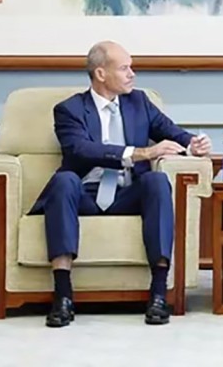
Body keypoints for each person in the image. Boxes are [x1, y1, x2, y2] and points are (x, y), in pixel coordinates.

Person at [29, 41, 212, 328]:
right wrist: (140, 153)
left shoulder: (139, 102)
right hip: (85, 195)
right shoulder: (69, 109)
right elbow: (80, 150)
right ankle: (63, 297)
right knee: (63, 181)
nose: (132, 74)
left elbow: (171, 131)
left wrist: (193, 144)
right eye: (124, 68)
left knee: (156, 180)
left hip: (127, 194)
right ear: (101, 74)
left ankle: (158, 294)